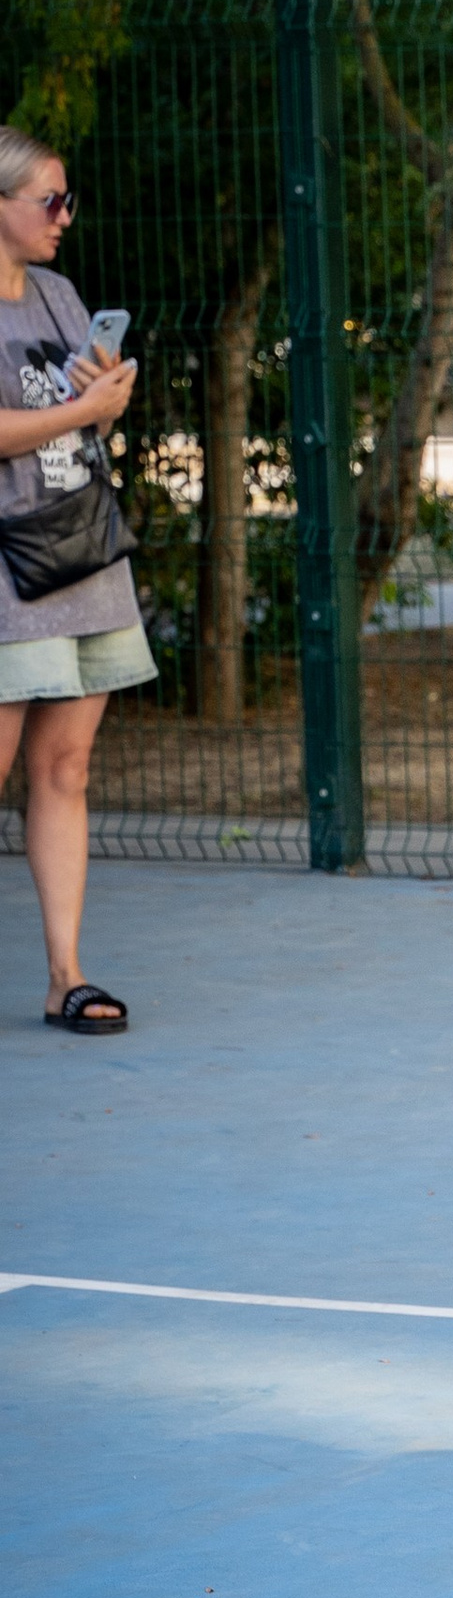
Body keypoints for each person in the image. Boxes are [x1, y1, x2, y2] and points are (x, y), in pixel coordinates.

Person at [0, 126, 145, 1031]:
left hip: (79, 552)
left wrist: (103, 394)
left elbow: (72, 415)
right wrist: (80, 411)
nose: (64, 217)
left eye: (68, 200)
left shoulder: (55, 294)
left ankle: (66, 976)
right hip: (6, 566)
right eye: (49, 201)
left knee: (67, 766)